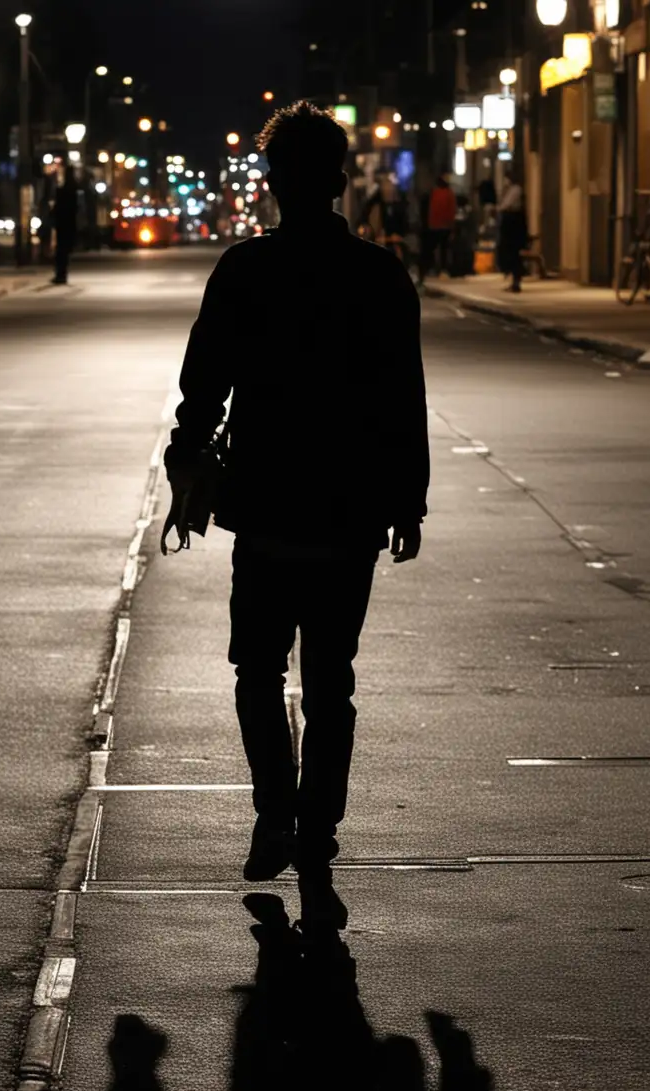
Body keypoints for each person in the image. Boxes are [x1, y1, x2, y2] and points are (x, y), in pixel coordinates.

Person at [164, 101, 428, 931]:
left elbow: (203, 384)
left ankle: (275, 810)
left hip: (269, 505)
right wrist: (407, 500)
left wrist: (186, 455)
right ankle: (318, 829)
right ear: (343, 179)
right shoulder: (381, 276)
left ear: (274, 183)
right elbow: (403, 401)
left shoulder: (245, 271)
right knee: (332, 684)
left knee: (256, 671)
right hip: (350, 511)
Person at [50, 165, 80, 284]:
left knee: (60, 250)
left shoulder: (62, 190)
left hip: (62, 222)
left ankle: (60, 274)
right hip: (69, 222)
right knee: (65, 250)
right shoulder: (74, 189)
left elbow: (58, 207)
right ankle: (62, 273)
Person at [423, 173, 456, 277]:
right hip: (445, 226)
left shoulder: (434, 193)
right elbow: (452, 211)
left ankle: (432, 268)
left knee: (432, 248)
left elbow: (429, 210)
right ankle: (443, 269)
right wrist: (452, 225)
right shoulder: (449, 194)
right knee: (444, 249)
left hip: (434, 225)